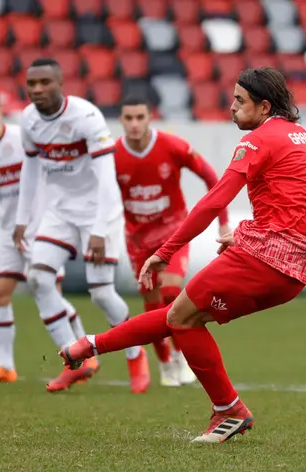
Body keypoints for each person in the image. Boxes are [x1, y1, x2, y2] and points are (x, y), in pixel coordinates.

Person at [59, 67, 306, 443]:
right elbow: (297, 203)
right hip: (296, 265)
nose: (231, 107)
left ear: (264, 106)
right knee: (181, 313)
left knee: (182, 317)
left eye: (239, 100)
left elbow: (214, 198)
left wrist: (165, 251)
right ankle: (91, 346)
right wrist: (250, 234)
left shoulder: (259, 140)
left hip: (266, 258)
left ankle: (228, 409)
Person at [13, 58, 150, 394]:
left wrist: (102, 229)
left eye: (45, 83)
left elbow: (106, 177)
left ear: (61, 85)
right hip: (59, 213)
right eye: (32, 84)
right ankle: (77, 360)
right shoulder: (28, 121)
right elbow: (30, 171)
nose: (37, 90)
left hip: (97, 212)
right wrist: (22, 219)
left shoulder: (86, 116)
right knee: (38, 279)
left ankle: (135, 354)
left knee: (102, 294)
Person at [0, 89, 88, 384]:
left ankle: (83, 351)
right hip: (8, 232)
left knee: (50, 294)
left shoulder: (22, 138)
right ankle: (5, 366)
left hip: (43, 229)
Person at [114, 96, 231, 387]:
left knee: (171, 292)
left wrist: (224, 220)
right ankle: (165, 364)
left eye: (139, 117)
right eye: (128, 118)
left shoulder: (173, 146)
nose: (134, 124)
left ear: (149, 117)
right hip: (138, 240)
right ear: (121, 120)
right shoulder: (112, 155)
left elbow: (212, 178)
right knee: (152, 304)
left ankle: (180, 356)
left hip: (173, 233)